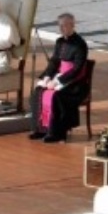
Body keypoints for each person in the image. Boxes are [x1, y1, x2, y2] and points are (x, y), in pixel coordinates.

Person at [29, 13, 90, 144]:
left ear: (72, 25)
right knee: (38, 91)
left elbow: (77, 69)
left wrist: (57, 82)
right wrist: (46, 77)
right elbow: (54, 62)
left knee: (58, 96)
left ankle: (57, 133)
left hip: (75, 82)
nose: (61, 28)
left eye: (64, 26)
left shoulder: (80, 44)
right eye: (60, 26)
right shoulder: (60, 41)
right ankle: (40, 129)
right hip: (59, 76)